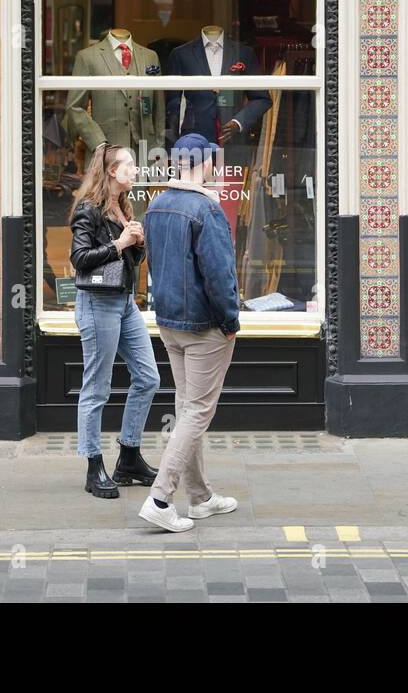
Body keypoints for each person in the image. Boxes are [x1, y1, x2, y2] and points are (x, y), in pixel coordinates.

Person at [138, 133, 241, 532]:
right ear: (205, 163)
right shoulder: (207, 209)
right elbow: (219, 275)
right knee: (197, 411)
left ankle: (200, 498)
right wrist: (231, 321)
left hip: (168, 322)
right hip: (204, 326)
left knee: (187, 409)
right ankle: (161, 498)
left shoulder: (157, 204)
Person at [68, 142, 161, 498]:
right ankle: (94, 466)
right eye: (129, 165)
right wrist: (121, 244)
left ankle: (129, 456)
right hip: (96, 304)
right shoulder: (88, 209)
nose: (135, 170)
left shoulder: (124, 206)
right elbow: (80, 258)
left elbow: (128, 262)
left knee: (148, 377)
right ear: (111, 171)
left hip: (124, 302)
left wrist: (137, 244)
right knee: (97, 388)